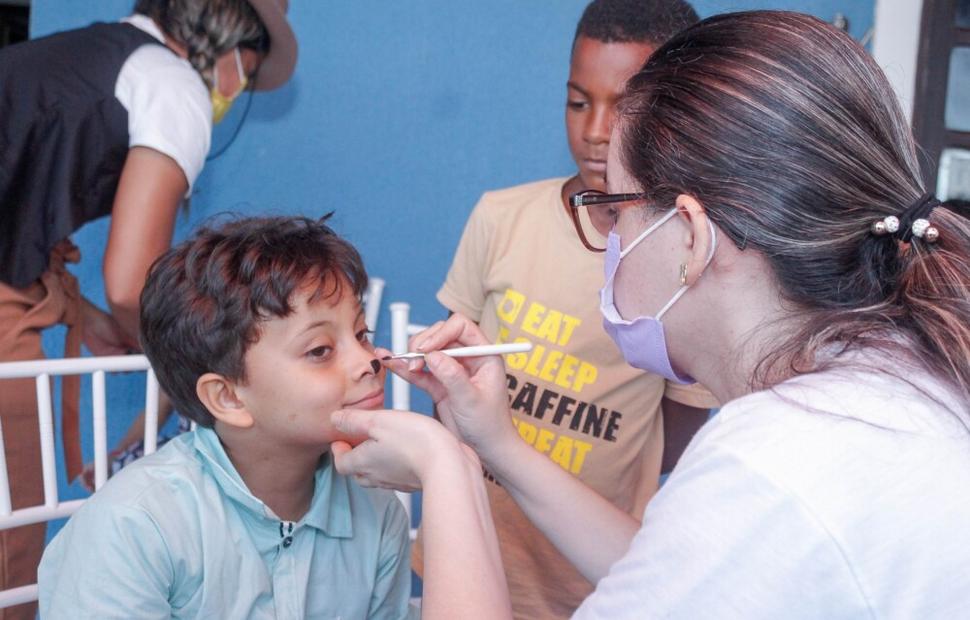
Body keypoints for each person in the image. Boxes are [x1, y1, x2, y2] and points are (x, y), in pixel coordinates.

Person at [332, 10, 970, 619]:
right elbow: (669, 571)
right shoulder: (895, 385)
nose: (606, 239)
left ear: (690, 237)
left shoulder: (771, 468)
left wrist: (446, 469)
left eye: (614, 209)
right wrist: (494, 442)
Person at [423, 1, 716, 616]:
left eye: (624, 106)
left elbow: (680, 427)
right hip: (470, 555)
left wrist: (597, 462)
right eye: (578, 101)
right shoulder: (501, 218)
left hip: (587, 585)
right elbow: (453, 373)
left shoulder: (687, 260)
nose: (595, 129)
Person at [0, 2, 294, 613]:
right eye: (248, 69)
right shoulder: (172, 84)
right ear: (233, 44)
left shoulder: (70, 61)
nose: (234, 95)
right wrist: (191, 371)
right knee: (12, 543)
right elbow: (134, 283)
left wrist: (98, 324)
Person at [38, 216, 413, 618]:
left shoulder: (376, 511)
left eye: (361, 334)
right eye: (320, 350)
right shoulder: (134, 527)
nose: (370, 361)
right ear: (228, 397)